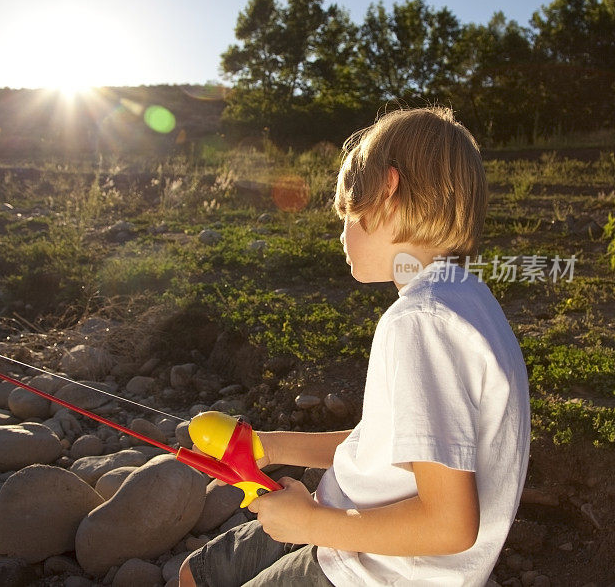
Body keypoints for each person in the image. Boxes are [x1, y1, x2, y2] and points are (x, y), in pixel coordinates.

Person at [179, 106, 531, 586]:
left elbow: (451, 524)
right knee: (194, 574)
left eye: (348, 214)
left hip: (370, 571)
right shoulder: (468, 299)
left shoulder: (421, 322)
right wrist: (269, 446)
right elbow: (386, 449)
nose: (342, 234)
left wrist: (307, 524)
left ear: (387, 192)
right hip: (348, 532)